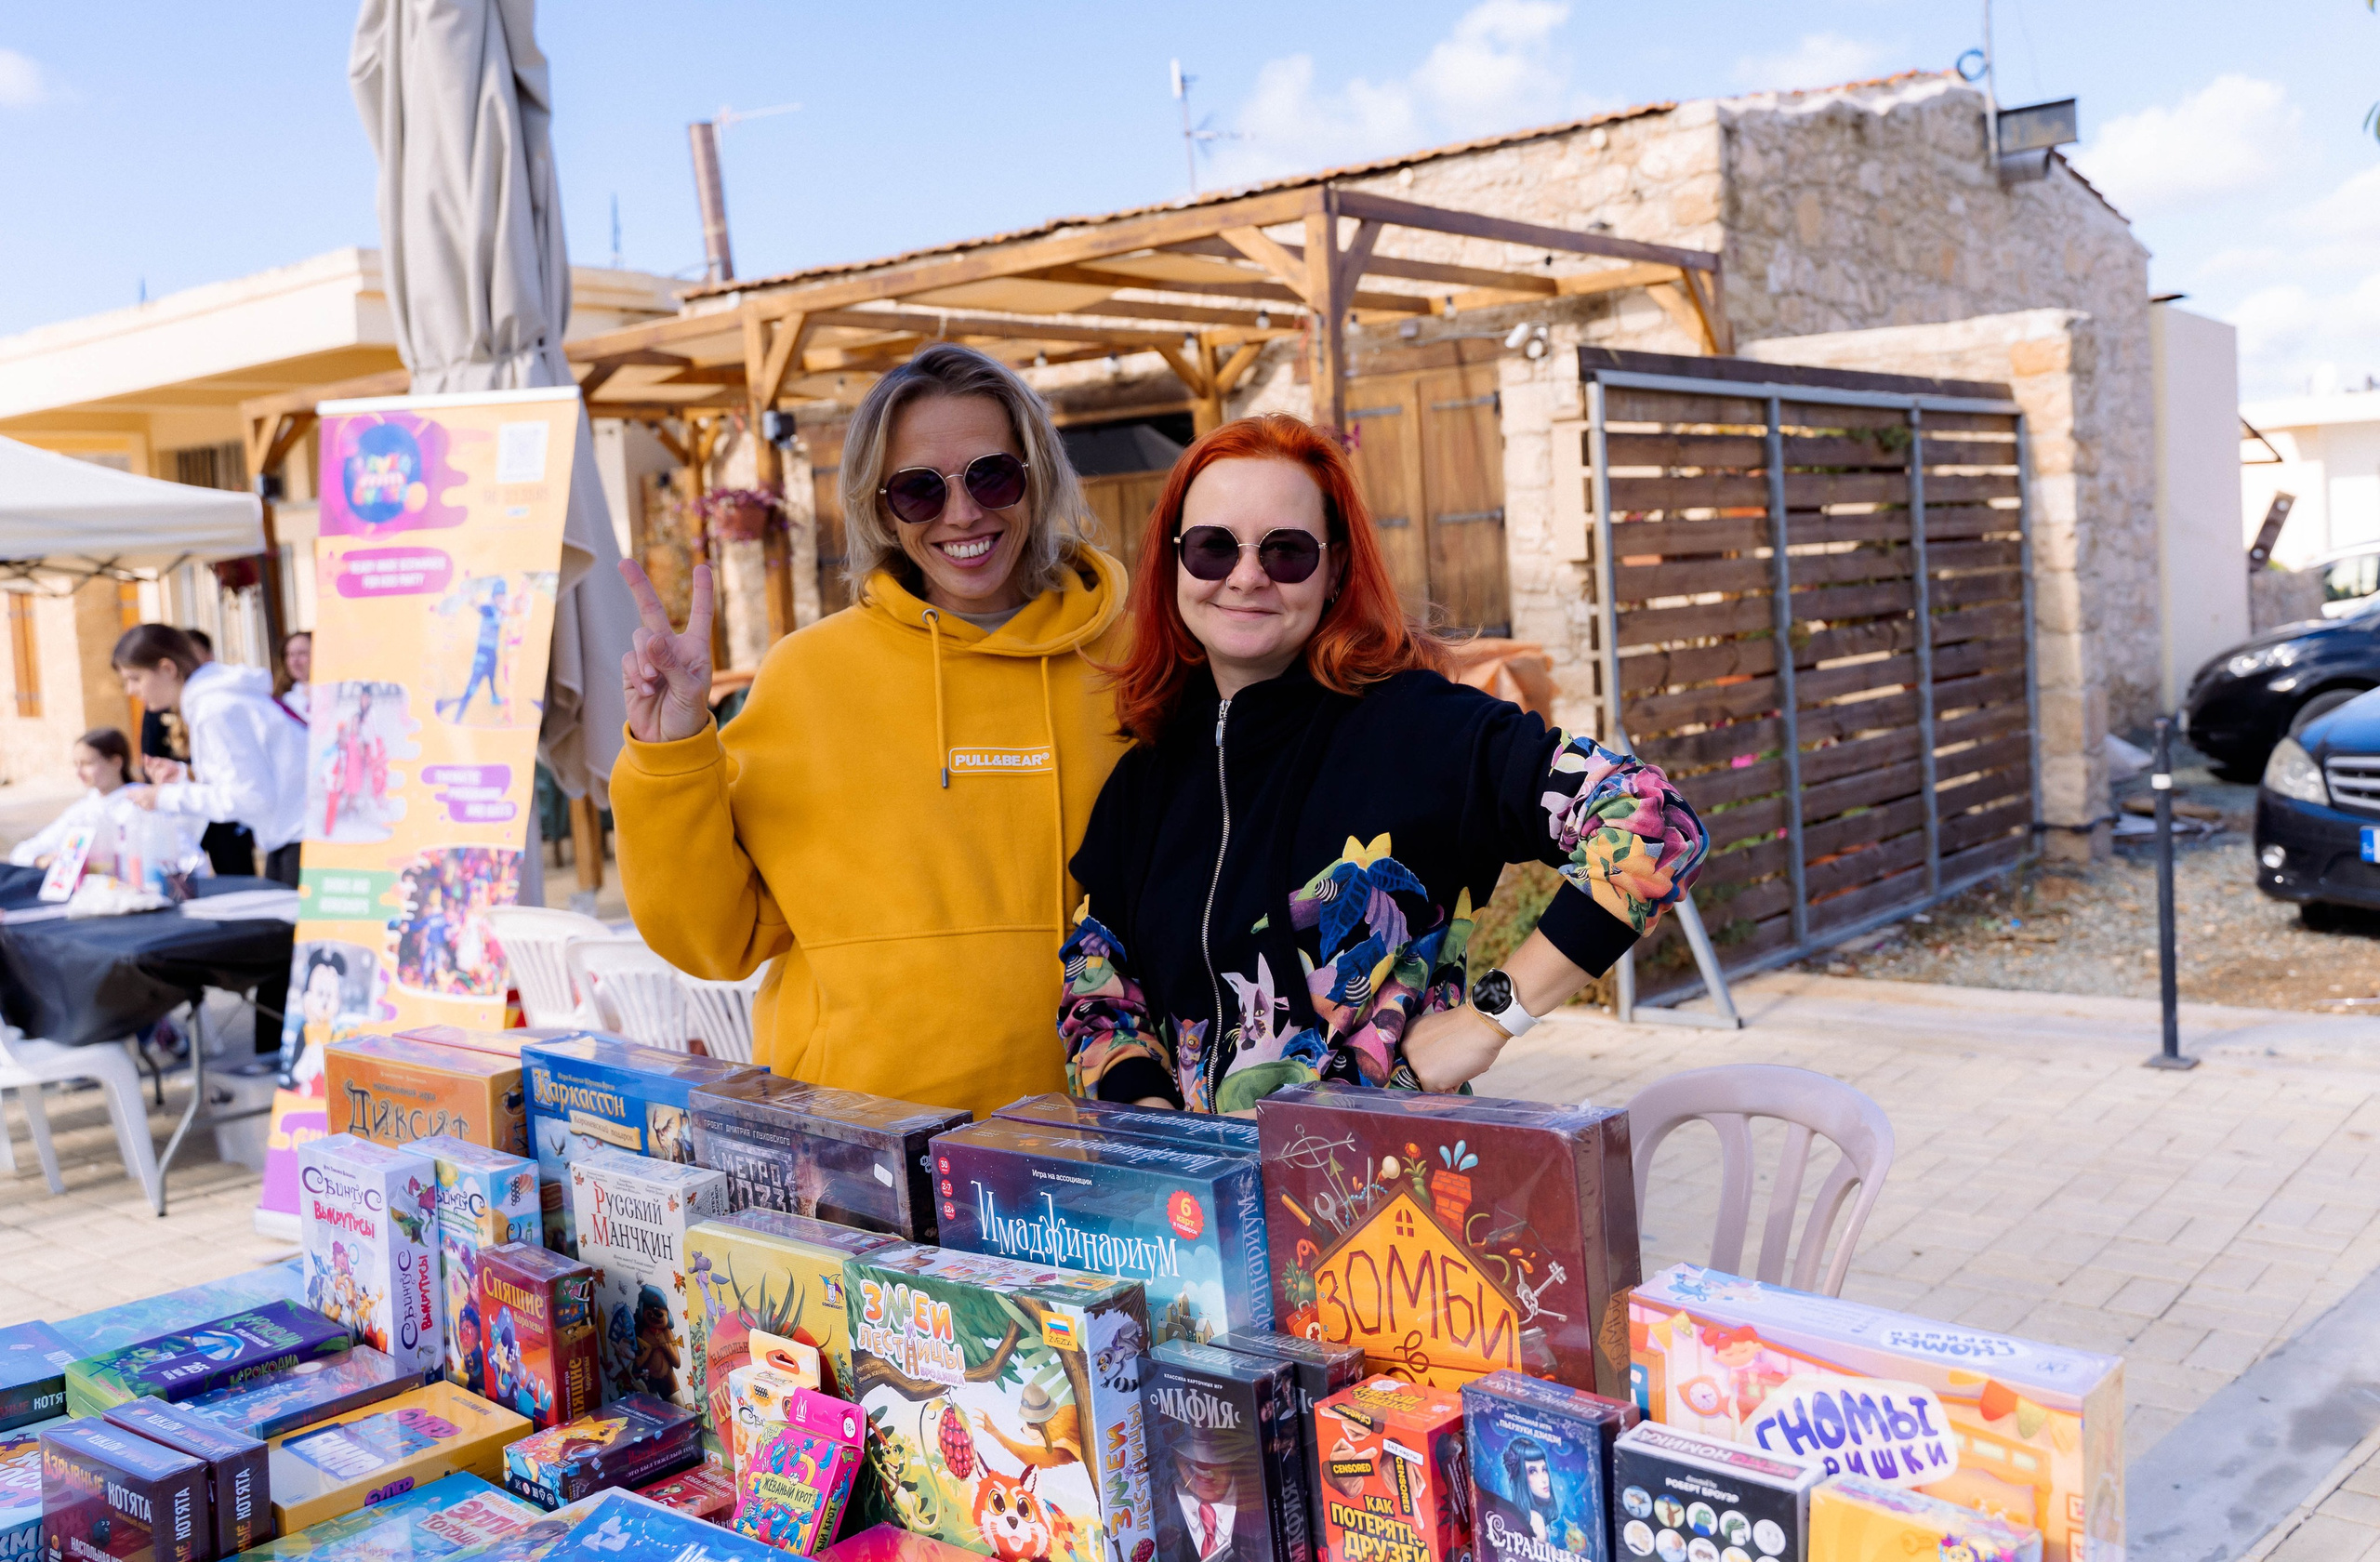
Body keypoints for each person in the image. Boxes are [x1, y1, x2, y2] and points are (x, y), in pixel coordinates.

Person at [1057, 415, 1708, 1113]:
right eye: (1214, 548)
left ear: (1335, 568)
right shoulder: (1146, 778)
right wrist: (1154, 1128)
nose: (1246, 577)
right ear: (1175, 564)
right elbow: (1098, 983)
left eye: (1286, 552)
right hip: (1195, 1207)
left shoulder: (1420, 729)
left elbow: (1651, 820)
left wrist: (1492, 1016)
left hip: (1384, 1196)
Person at [611, 342, 1130, 1119]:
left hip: (1111, 1133)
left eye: (992, 474)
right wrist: (672, 753)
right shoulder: (807, 677)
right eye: (919, 491)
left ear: (1038, 473)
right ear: (879, 508)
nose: (962, 513)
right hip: (860, 1149)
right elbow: (713, 941)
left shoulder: (1137, 658)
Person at [112, 624, 308, 886]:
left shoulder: (215, 708)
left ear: (167, 669)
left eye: (135, 678)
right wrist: (185, 777)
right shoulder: (218, 699)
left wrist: (166, 797)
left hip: (304, 838)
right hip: (296, 833)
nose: (130, 691)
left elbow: (251, 797)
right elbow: (257, 776)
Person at [7, 728, 203, 870]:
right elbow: (23, 852)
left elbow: (189, 858)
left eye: (87, 763)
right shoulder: (82, 810)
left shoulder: (144, 801)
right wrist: (43, 859)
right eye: (76, 764)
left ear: (116, 762)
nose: (79, 772)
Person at [276, 630, 312, 723]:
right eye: (290, 655)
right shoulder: (284, 700)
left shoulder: (336, 691)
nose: (294, 661)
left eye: (301, 653)